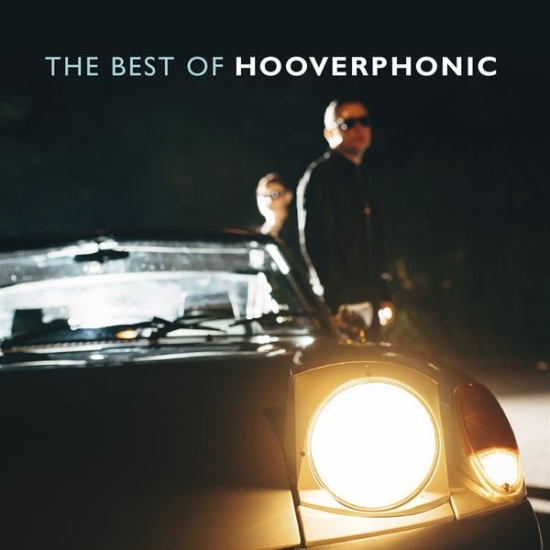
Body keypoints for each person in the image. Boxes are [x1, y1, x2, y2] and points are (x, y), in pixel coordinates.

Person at [296, 97, 394, 339]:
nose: (358, 129)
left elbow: (376, 241)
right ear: (329, 132)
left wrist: (383, 294)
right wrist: (335, 302)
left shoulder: (363, 177)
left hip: (368, 297)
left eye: (364, 121)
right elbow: (317, 241)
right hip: (344, 303)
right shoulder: (322, 176)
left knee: (372, 358)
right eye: (347, 123)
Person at [254, 172, 306, 272]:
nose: (268, 200)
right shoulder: (257, 234)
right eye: (263, 195)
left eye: (274, 194)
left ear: (288, 196)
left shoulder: (298, 233)